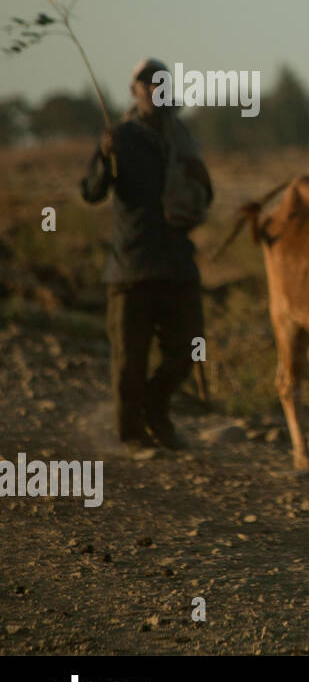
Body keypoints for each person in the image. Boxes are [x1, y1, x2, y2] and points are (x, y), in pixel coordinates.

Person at [80, 57, 213, 450]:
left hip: (176, 263)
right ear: (135, 91)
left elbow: (204, 193)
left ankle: (155, 408)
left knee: (191, 346)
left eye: (162, 82)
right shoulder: (118, 139)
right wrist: (104, 159)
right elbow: (90, 193)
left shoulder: (183, 138)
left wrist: (201, 187)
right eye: (148, 83)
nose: (157, 89)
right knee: (128, 361)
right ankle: (133, 434)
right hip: (131, 266)